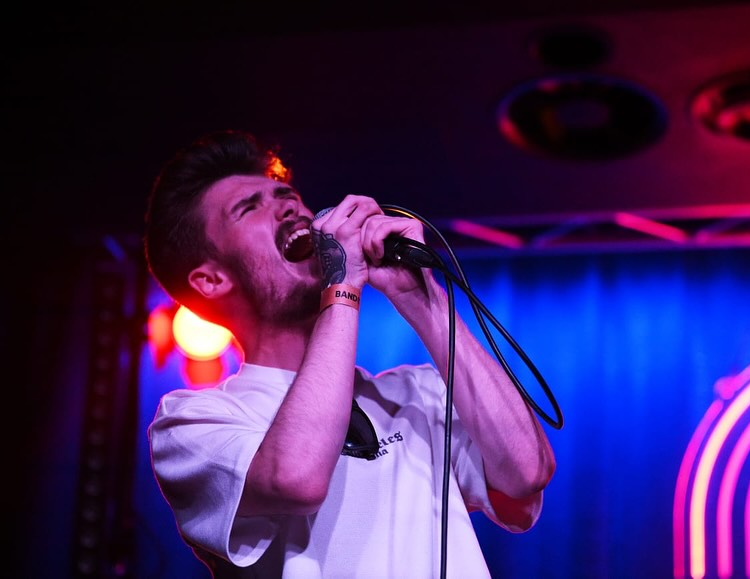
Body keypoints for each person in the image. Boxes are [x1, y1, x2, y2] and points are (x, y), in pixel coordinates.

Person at [143, 129, 556, 578]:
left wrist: (423, 299)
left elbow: (526, 472)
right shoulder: (193, 423)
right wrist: (342, 286)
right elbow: (296, 479)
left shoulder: (418, 390)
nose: (289, 206)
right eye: (249, 208)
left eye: (286, 194)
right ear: (211, 280)